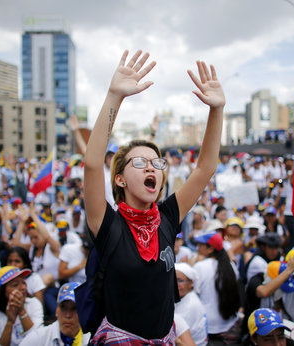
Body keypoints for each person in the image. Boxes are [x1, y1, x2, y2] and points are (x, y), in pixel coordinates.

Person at [83, 50, 224, 343]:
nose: (151, 166)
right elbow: (93, 164)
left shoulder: (168, 217)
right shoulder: (108, 225)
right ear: (119, 178)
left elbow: (205, 168)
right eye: (139, 162)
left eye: (157, 162)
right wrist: (114, 96)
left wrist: (217, 110)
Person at [193, 230, 241, 343]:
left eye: (201, 245)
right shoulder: (230, 266)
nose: (198, 248)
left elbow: (194, 293)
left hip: (209, 326)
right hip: (229, 322)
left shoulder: (200, 266)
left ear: (210, 249)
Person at [0, 266, 44, 346]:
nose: (23, 287)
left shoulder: (34, 303)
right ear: (0, 292)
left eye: (23, 282)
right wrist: (10, 322)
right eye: (15, 285)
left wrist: (22, 311)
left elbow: (39, 342)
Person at [21, 281, 90, 345]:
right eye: (63, 307)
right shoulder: (38, 338)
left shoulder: (92, 340)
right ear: (57, 310)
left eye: (74, 309)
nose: (68, 315)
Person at [175, 262, 208, 346]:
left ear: (191, 283)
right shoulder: (185, 297)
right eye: (173, 280)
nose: (175, 285)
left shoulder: (190, 305)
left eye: (180, 281)